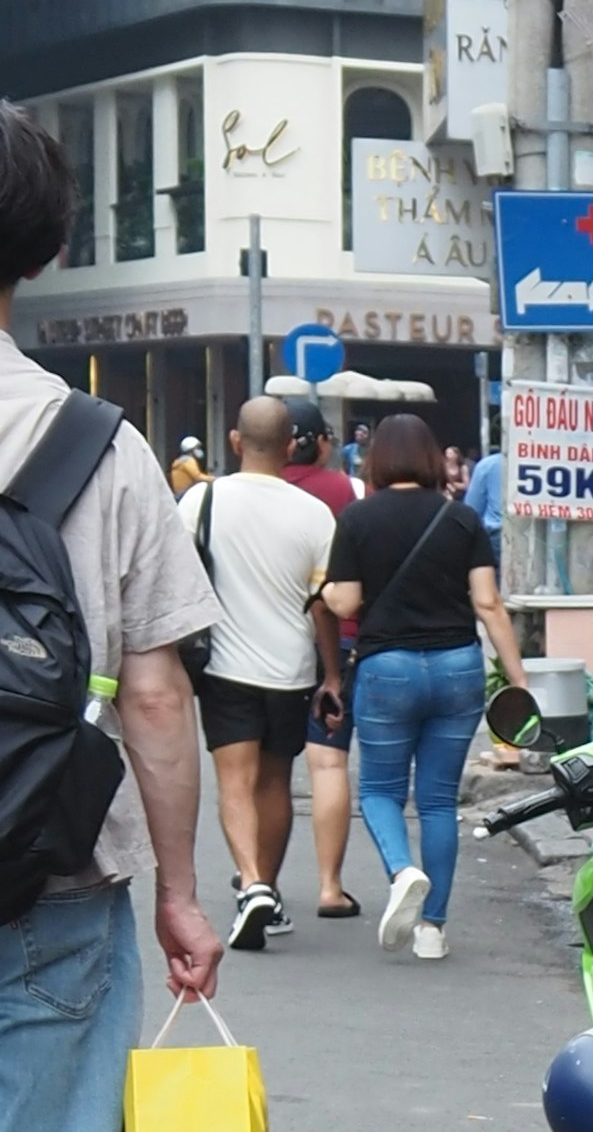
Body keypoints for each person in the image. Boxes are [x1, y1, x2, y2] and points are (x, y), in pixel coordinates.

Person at [0, 106, 224, 1132]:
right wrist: (181, 885)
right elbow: (154, 691)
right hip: (51, 879)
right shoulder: (100, 449)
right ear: (50, 242)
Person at [321, 408, 525, 958]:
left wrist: (319, 588)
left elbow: (343, 601)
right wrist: (518, 676)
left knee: (380, 792)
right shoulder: (459, 520)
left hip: (388, 668)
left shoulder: (358, 519)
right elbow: (487, 603)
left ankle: (402, 871)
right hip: (458, 666)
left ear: (376, 458)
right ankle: (432, 930)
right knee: (437, 802)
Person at [186, 390, 337, 956]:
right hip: (292, 669)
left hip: (224, 665)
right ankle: (266, 889)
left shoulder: (201, 501)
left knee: (234, 781)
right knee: (275, 781)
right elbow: (323, 602)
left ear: (234, 441)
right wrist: (332, 676)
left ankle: (249, 882)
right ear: (294, 445)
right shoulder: (315, 514)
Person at [285, 402, 363, 918]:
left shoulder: (234, 494)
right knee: (328, 761)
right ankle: (330, 886)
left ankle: (256, 875)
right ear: (323, 442)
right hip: (340, 638)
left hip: (259, 649)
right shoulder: (346, 492)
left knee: (255, 771)